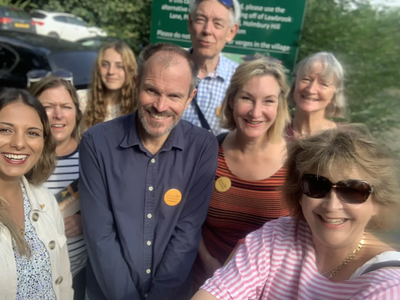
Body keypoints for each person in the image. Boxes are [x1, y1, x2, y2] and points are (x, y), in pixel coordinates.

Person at [192, 125, 400, 300]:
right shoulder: (276, 236)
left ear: (378, 202)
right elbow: (218, 293)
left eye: (353, 191)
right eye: (316, 185)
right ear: (299, 194)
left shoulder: (387, 285)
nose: (331, 205)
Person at [80, 42, 219, 300]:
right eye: (152, 90)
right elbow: (101, 237)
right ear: (136, 84)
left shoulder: (202, 147)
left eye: (175, 96)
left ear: (190, 97)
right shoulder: (96, 142)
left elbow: (187, 234)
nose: (160, 105)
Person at [192, 58, 291, 290]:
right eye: (247, 98)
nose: (256, 112)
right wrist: (209, 263)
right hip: (207, 279)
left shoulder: (297, 162)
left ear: (280, 106)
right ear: (232, 100)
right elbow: (189, 219)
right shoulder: (209, 152)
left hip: (270, 288)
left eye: (268, 101)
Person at [0, 88, 73, 299]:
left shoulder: (45, 200)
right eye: (5, 130)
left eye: (32, 133)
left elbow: (64, 280)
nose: (19, 143)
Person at [29, 76, 87, 300]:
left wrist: (87, 221)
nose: (58, 115)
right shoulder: (22, 158)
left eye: (65, 106)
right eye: (47, 107)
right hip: (34, 279)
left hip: (80, 276)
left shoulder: (93, 156)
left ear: (76, 112)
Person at [183, 0, 241, 135]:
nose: (207, 30)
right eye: (200, 20)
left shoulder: (240, 80)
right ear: (190, 23)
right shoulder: (168, 69)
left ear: (231, 32)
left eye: (218, 24)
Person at [285, 52, 345, 140]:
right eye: (306, 79)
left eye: (323, 84)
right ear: (294, 85)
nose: (311, 90)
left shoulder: (345, 140)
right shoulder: (273, 131)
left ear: (334, 95)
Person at [78, 40, 137, 129]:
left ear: (130, 70)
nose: (111, 71)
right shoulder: (81, 99)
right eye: (105, 65)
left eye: (119, 66)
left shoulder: (138, 106)